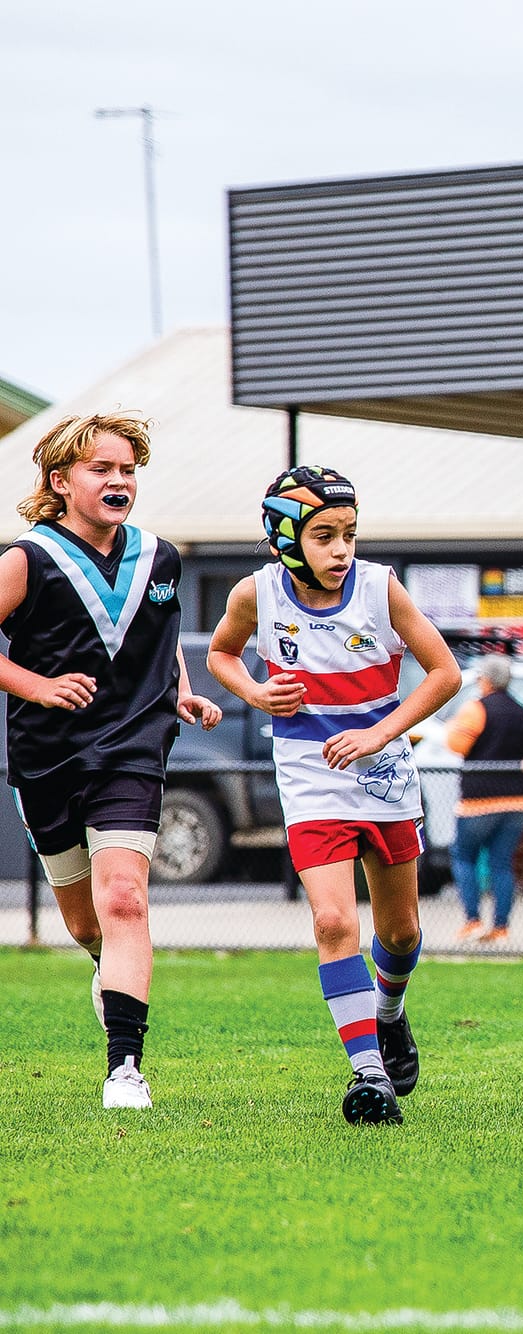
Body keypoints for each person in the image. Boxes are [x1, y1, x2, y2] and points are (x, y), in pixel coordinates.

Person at [209, 464, 460, 1125]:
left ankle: (389, 1011)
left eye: (349, 533)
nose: (342, 549)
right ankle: (368, 1072)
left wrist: (379, 733)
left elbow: (445, 673)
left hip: (384, 774)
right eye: (324, 536)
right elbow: (221, 655)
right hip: (308, 775)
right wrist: (255, 692)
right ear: (284, 539)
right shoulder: (255, 594)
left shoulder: (380, 587)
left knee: (400, 931)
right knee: (332, 922)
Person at [0, 413, 221, 1111]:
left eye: (128, 469)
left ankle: (125, 1067)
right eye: (102, 469)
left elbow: (160, 634)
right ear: (62, 481)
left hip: (133, 748)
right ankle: (108, 968)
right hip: (46, 758)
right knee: (87, 922)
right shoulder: (26, 558)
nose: (119, 480)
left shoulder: (161, 556)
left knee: (124, 897)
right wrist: (36, 687)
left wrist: (182, 690)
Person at [443, 655, 523, 944]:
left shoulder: (476, 708)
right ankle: (501, 927)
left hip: (479, 800)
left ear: (485, 680)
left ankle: (472, 920)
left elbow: (457, 744)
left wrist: (454, 727)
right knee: (501, 863)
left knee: (463, 856)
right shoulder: (522, 711)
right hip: (519, 799)